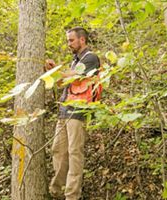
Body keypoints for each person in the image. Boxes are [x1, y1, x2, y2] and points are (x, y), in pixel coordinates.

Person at [46, 27, 100, 200]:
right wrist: (51, 71)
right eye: (68, 40)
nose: (69, 44)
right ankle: (57, 191)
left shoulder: (91, 58)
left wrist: (58, 71)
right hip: (64, 111)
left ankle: (72, 196)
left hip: (78, 112)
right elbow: (64, 82)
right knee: (58, 151)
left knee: (74, 153)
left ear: (82, 40)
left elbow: (74, 77)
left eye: (71, 40)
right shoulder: (74, 61)